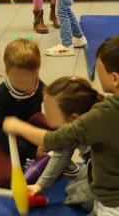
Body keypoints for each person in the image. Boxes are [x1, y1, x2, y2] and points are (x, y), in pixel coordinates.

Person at [4, 36, 119, 215]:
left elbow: (55, 141)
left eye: (99, 66)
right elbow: (63, 148)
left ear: (114, 78)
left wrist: (17, 126)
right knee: (77, 189)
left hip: (112, 200)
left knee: (81, 196)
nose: (95, 69)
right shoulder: (100, 111)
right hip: (105, 181)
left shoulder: (103, 115)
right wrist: (40, 184)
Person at [27, 76, 102, 213]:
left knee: (87, 200)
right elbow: (62, 152)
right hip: (97, 170)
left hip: (109, 179)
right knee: (73, 192)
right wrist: (39, 185)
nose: (50, 124)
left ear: (74, 119)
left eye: (53, 118)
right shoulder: (78, 124)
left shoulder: (101, 142)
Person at [0, 39, 51, 188]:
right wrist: (32, 151)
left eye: (28, 76)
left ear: (37, 71)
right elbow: (2, 135)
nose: (24, 81)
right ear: (6, 72)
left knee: (54, 124)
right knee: (7, 179)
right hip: (4, 138)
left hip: (27, 131)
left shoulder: (40, 87)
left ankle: (56, 157)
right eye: (18, 77)